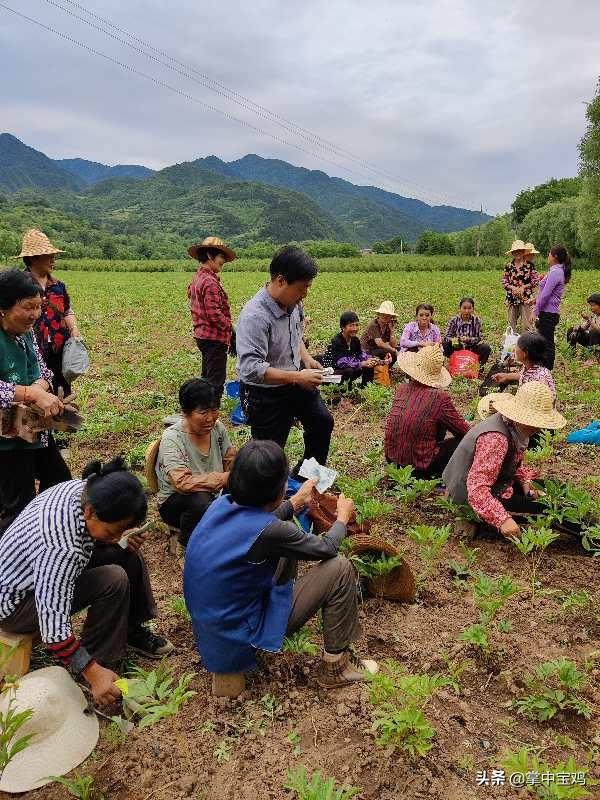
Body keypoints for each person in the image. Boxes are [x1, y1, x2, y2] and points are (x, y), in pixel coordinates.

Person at [184, 440, 378, 688]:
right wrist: (341, 517)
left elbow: (255, 525)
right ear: (277, 490)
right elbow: (327, 548)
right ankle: (336, 667)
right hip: (240, 635)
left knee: (286, 550)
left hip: (213, 628)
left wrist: (294, 503)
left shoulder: (220, 505)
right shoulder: (273, 532)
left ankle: (273, 624)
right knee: (339, 568)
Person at [0, 457, 173, 705]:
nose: (118, 535)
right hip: (15, 605)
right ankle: (97, 671)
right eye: (114, 530)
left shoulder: (82, 490)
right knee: (113, 579)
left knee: (127, 556)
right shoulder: (61, 548)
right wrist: (91, 670)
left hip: (35, 575)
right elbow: (54, 631)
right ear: (90, 511)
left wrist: (118, 540)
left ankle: (131, 630)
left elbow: (91, 539)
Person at [236, 246, 334, 469]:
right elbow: (251, 368)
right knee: (269, 452)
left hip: (294, 379)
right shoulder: (255, 316)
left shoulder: (294, 304)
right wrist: (298, 377)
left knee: (321, 422)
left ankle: (306, 478)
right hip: (264, 393)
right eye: (302, 288)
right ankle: (265, 497)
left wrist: (306, 358)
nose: (305, 294)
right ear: (281, 281)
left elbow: (295, 333)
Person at [442, 382, 567, 540]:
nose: (539, 427)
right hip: (471, 497)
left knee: (557, 488)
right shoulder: (496, 438)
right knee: (551, 508)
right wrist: (503, 519)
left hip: (498, 483)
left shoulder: (513, 427)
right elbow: (477, 489)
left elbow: (515, 462)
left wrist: (526, 484)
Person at [0, 269, 71, 535]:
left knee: (58, 481)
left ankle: (45, 532)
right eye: (27, 307)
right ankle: (12, 561)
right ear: (3, 307)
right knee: (18, 504)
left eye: (38, 307)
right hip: (6, 440)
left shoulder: (26, 332)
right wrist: (31, 394)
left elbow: (43, 370)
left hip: (31, 428)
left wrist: (40, 388)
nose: (35, 314)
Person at [156, 378, 236, 547]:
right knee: (200, 499)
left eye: (214, 410)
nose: (210, 418)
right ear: (186, 412)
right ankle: (185, 545)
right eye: (203, 412)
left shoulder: (217, 429)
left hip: (212, 495)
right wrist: (222, 479)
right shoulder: (173, 438)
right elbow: (182, 483)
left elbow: (231, 460)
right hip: (177, 503)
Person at [12, 229, 82, 396]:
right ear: (34, 258)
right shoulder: (18, 286)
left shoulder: (58, 285)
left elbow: (67, 310)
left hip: (59, 348)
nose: (53, 260)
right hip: (31, 350)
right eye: (49, 255)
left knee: (63, 390)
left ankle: (62, 419)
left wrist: (74, 329)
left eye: (54, 255)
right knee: (36, 393)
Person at [385, 346, 469, 478]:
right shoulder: (440, 398)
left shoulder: (402, 389)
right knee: (467, 440)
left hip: (392, 461)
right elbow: (464, 431)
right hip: (419, 467)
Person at [187, 236, 236, 401]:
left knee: (207, 376)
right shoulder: (210, 282)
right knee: (215, 381)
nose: (223, 260)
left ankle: (200, 408)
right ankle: (209, 414)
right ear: (209, 255)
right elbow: (214, 314)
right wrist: (230, 327)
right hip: (214, 338)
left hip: (202, 335)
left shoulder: (197, 278)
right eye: (221, 256)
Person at [535, 244, 572, 370]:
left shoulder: (556, 272)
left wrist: (535, 311)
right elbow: (545, 293)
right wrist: (534, 301)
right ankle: (543, 367)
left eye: (549, 254)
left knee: (547, 342)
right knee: (544, 340)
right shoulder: (555, 270)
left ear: (555, 256)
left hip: (548, 313)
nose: (548, 257)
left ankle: (547, 369)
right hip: (548, 311)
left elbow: (545, 295)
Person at [491, 332, 556, 401]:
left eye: (517, 346)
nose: (514, 349)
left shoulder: (539, 380)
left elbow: (536, 404)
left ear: (525, 353)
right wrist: (506, 376)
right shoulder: (531, 368)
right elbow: (523, 375)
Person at [324, 311, 377, 385]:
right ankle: (343, 390)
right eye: (351, 326)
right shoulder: (337, 341)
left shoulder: (355, 340)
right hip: (333, 371)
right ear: (343, 327)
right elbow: (341, 362)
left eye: (356, 325)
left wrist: (370, 359)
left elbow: (360, 354)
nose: (355, 328)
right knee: (349, 370)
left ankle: (366, 387)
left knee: (369, 364)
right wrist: (362, 363)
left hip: (347, 369)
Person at [502, 240, 540, 334]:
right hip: (512, 299)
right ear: (513, 253)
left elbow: (535, 281)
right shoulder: (509, 266)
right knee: (511, 325)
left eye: (520, 250)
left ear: (523, 252)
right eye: (516, 251)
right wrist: (513, 288)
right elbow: (504, 282)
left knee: (527, 325)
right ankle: (512, 345)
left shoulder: (529, 266)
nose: (518, 253)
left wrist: (524, 287)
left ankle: (527, 346)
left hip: (526, 299)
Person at [442, 297, 491, 366]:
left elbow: (479, 338)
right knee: (445, 344)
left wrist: (469, 339)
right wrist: (457, 339)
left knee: (486, 348)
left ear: (473, 309)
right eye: (464, 308)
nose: (467, 311)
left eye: (469, 308)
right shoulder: (454, 320)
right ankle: (454, 362)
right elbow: (447, 336)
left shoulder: (476, 321)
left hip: (472, 347)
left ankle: (479, 367)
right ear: (460, 308)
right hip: (457, 347)